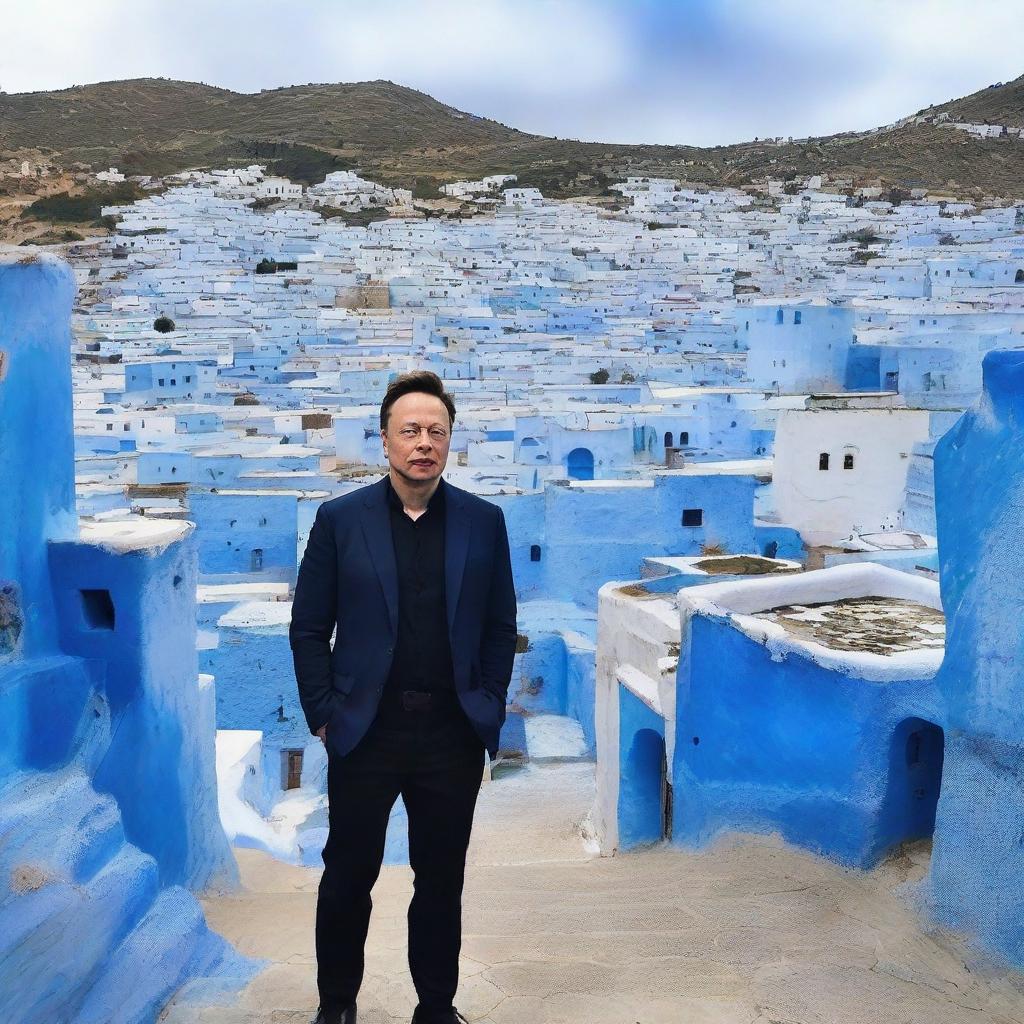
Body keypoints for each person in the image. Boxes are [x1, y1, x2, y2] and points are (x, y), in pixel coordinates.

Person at [290, 370, 518, 1024]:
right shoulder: (340, 521)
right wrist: (324, 715)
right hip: (365, 732)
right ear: (385, 440)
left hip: (450, 733)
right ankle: (336, 1008)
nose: (424, 442)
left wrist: (490, 703)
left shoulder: (484, 522)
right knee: (347, 880)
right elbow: (309, 626)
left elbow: (501, 624)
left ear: (450, 442)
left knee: (441, 883)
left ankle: (436, 1009)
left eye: (436, 431)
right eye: (410, 430)